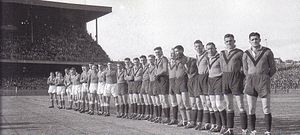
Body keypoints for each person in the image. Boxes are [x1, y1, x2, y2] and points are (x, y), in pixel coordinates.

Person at [243, 32, 276, 135]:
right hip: (250, 82)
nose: (254, 41)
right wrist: (250, 77)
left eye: (256, 39)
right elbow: (245, 69)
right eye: (252, 39)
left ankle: (267, 131)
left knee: (266, 107)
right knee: (251, 108)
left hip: (263, 81)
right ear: (249, 41)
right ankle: (253, 130)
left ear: (260, 40)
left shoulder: (267, 52)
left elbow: (273, 68)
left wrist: (265, 77)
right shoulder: (246, 53)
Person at [220, 34, 247, 135]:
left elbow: (244, 68)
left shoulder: (240, 53)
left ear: (234, 41)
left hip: (236, 79)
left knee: (240, 105)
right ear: (224, 42)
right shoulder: (222, 53)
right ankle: (230, 129)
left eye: (230, 41)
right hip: (225, 79)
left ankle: (244, 130)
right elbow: (221, 67)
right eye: (227, 41)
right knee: (229, 105)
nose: (229, 43)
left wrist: (242, 79)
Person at [206, 42, 227, 133]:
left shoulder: (220, 57)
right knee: (213, 105)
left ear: (215, 48)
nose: (210, 50)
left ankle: (225, 126)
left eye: (211, 48)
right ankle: (218, 125)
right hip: (210, 81)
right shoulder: (208, 58)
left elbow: (224, 70)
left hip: (218, 80)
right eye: (208, 49)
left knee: (219, 104)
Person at [173, 45, 192, 128]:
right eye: (176, 51)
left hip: (184, 81)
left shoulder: (186, 59)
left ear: (182, 50)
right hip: (177, 82)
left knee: (186, 102)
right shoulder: (175, 60)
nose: (177, 53)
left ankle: (190, 121)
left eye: (178, 51)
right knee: (180, 103)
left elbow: (189, 71)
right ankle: (184, 120)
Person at [194, 40, 209, 130]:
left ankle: (212, 123)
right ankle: (206, 123)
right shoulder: (197, 56)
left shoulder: (207, 54)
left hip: (207, 78)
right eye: (196, 47)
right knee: (203, 102)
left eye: (199, 46)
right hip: (199, 79)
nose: (198, 48)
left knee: (209, 102)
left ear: (203, 46)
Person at [154, 47, 170, 124]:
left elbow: (165, 69)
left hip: (163, 78)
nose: (157, 54)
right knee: (161, 100)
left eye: (158, 52)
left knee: (164, 98)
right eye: (156, 52)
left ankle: (167, 117)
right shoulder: (156, 60)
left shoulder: (164, 59)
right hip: (158, 79)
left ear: (162, 51)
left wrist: (157, 74)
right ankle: (163, 117)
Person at [167, 49, 179, 125]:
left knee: (181, 102)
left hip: (177, 81)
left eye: (173, 53)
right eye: (171, 53)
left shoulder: (178, 61)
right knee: (173, 101)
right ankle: (174, 119)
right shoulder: (168, 63)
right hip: (170, 82)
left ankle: (185, 120)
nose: (172, 55)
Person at [148, 54, 160, 122]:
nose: (150, 61)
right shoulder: (149, 66)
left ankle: (159, 116)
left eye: (151, 59)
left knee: (157, 100)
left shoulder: (156, 65)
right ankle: (155, 116)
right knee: (153, 101)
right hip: (151, 83)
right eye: (149, 59)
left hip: (156, 83)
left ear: (154, 59)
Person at [140, 55, 151, 120]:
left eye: (143, 60)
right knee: (145, 100)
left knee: (149, 100)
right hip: (143, 83)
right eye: (141, 60)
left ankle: (150, 115)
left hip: (148, 82)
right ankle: (147, 114)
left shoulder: (148, 66)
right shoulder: (141, 67)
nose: (142, 61)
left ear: (146, 60)